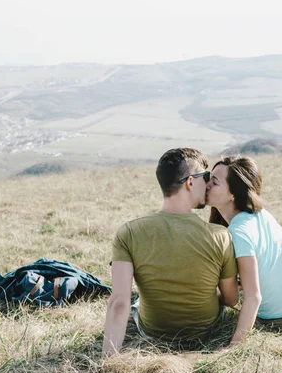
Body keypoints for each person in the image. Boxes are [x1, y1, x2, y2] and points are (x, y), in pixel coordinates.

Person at [102, 148, 239, 357]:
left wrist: (108, 362)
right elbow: (231, 299)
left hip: (152, 334)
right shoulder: (220, 235)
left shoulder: (128, 232)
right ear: (190, 182)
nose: (209, 184)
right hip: (205, 332)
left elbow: (119, 302)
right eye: (206, 177)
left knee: (137, 301)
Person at [206, 156, 282, 345]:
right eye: (209, 178)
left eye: (214, 182)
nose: (206, 185)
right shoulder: (260, 213)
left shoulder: (238, 232)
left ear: (234, 194)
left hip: (281, 320)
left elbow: (253, 297)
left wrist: (232, 348)